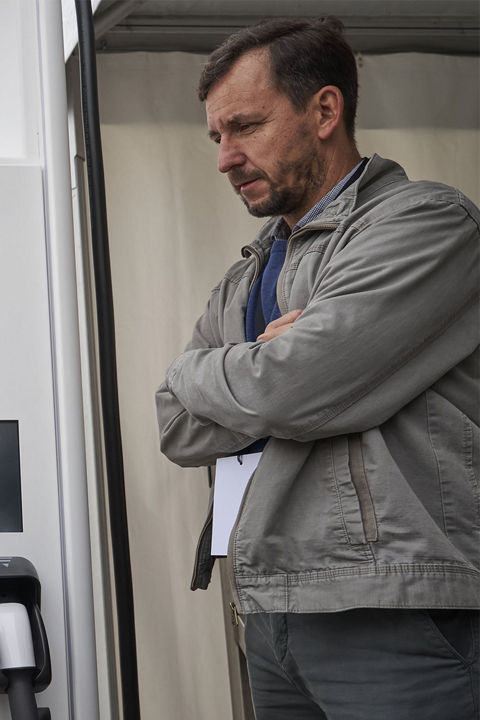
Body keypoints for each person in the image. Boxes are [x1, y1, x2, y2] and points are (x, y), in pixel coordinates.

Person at [155, 17, 480, 718]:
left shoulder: (427, 226)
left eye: (244, 126)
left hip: (392, 604)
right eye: (217, 136)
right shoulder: (247, 274)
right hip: (271, 607)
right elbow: (174, 425)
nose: (225, 157)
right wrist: (239, 365)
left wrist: (215, 369)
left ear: (325, 111)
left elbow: (290, 391)